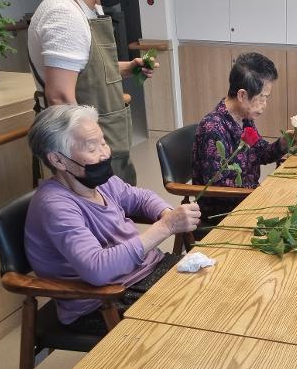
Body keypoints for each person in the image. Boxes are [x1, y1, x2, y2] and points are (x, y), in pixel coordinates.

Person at [24, 105, 201, 336]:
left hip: (145, 273)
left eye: (103, 142)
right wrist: (166, 226)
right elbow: (97, 269)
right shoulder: (55, 206)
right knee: (197, 321)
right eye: (92, 148)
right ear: (58, 160)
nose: (105, 153)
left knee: (218, 289)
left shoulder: (97, 182)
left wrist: (166, 213)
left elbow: (141, 198)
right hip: (104, 301)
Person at [28, 0, 157, 185]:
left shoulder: (89, 9)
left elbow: (89, 72)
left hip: (105, 142)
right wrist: (89, 160)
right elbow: (60, 98)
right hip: (84, 155)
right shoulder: (64, 14)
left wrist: (129, 67)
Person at [191, 52, 297, 222]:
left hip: (249, 199)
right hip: (225, 215)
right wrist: (263, 193)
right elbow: (219, 189)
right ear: (242, 95)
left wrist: (282, 144)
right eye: (262, 98)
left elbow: (260, 153)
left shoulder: (244, 118)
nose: (265, 105)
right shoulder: (212, 128)